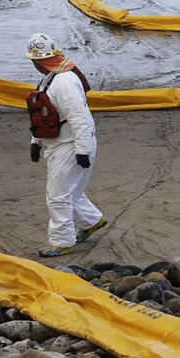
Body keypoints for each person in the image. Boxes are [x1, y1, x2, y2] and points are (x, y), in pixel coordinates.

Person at [24, 32, 108, 257]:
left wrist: (82, 150)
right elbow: (43, 115)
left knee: (57, 194)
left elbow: (79, 117)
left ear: (38, 61)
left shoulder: (64, 81)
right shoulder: (51, 78)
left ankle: (61, 241)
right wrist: (36, 142)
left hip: (70, 144)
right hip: (60, 142)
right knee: (71, 191)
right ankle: (92, 221)